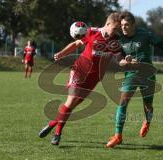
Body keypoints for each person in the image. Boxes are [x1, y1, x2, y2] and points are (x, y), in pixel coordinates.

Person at [38, 12, 124, 145]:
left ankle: (51, 124)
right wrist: (62, 53)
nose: (115, 31)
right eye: (115, 28)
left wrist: (126, 61)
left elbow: (119, 58)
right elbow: (77, 43)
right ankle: (57, 134)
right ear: (107, 24)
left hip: (95, 77)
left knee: (73, 105)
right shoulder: (91, 32)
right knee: (71, 100)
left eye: (118, 29)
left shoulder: (116, 41)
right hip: (80, 70)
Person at [106, 11, 163, 148]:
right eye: (122, 25)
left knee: (147, 105)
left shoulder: (145, 34)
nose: (123, 27)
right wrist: (124, 61)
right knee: (123, 102)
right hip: (131, 74)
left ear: (134, 25)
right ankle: (118, 136)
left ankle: (147, 121)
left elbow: (160, 45)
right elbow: (119, 58)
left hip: (147, 74)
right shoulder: (118, 39)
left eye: (126, 25)